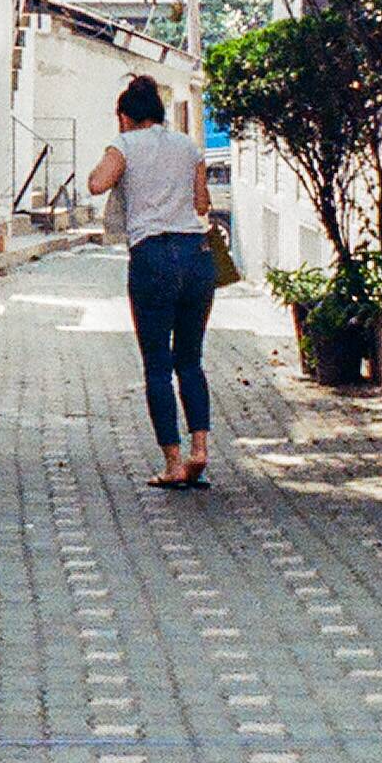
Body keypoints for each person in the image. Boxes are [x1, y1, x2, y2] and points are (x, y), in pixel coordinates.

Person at [87, 74, 218, 490]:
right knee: (191, 360)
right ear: (159, 114)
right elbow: (202, 204)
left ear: (124, 116)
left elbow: (96, 183)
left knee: (158, 365)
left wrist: (120, 160)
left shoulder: (124, 144)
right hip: (197, 256)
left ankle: (173, 462)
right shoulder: (189, 146)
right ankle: (201, 449)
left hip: (153, 257)